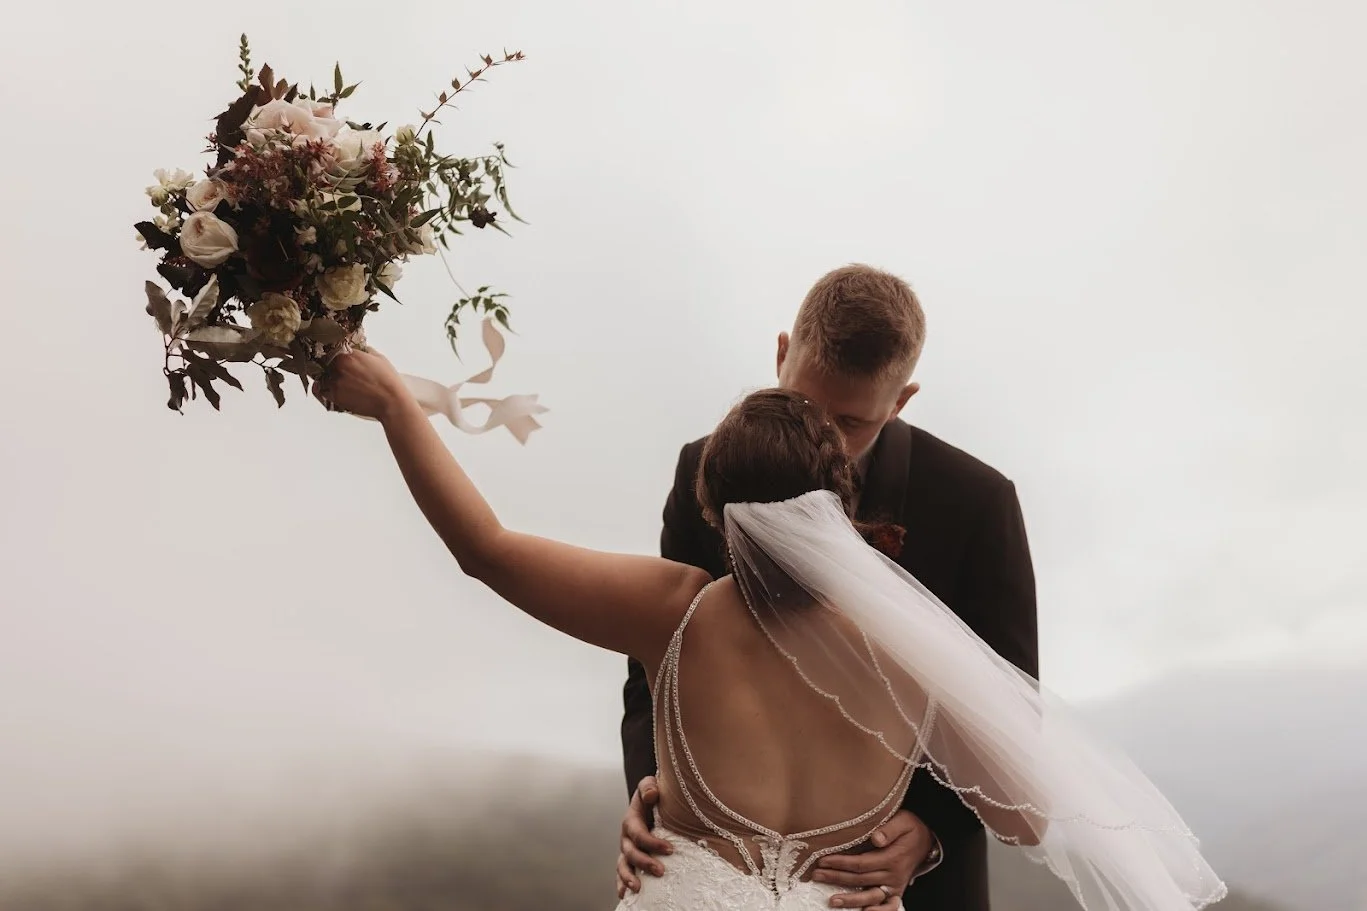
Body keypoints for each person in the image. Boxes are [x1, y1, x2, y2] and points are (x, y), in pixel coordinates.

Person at [314, 338, 1224, 911]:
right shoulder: (912, 649)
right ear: (841, 500)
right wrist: (935, 820)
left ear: (711, 508)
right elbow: (1025, 817)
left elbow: (486, 547)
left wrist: (398, 403)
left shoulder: (673, 612)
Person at [620, 264, 1036, 911]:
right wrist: (651, 798)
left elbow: (1010, 717)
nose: (825, 443)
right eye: (806, 406)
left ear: (899, 402)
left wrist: (929, 830)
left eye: (850, 421)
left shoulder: (976, 502)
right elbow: (653, 668)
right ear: (782, 354)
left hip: (901, 891)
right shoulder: (703, 465)